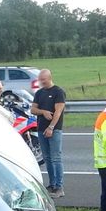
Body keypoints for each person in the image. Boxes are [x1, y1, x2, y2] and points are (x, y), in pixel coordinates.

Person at [29, 69, 65, 198]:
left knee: (56, 157)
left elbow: (58, 112)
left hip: (54, 129)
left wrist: (51, 127)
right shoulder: (39, 93)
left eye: (43, 79)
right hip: (40, 128)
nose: (41, 82)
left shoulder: (58, 92)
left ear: (49, 78)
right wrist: (43, 112)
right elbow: (33, 109)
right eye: (40, 79)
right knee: (47, 158)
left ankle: (59, 187)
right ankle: (52, 184)